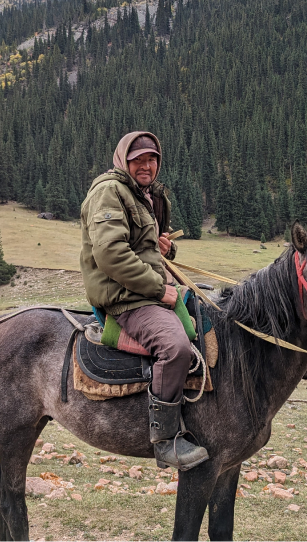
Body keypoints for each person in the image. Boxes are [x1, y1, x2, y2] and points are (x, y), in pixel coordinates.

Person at [80, 131, 208, 470]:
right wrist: (159, 288)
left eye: (152, 159)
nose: (146, 165)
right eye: (139, 160)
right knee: (175, 346)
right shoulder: (109, 192)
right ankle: (166, 441)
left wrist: (165, 247)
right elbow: (110, 254)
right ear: (124, 161)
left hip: (145, 289)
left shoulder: (145, 195)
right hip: (125, 298)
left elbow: (145, 246)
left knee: (209, 318)